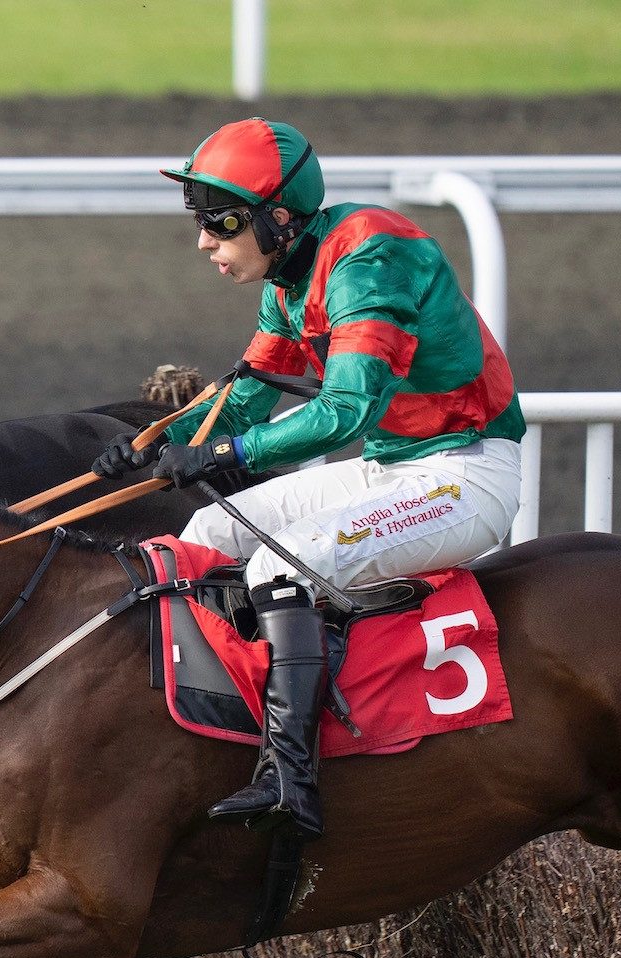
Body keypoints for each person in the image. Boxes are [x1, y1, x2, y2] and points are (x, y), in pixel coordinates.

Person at [94, 118, 524, 840]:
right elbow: (249, 395)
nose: (205, 241)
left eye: (222, 222)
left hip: (466, 475)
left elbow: (346, 409)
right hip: (397, 469)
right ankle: (224, 721)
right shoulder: (289, 281)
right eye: (199, 221)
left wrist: (223, 456)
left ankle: (291, 778)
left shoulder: (369, 255)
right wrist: (147, 440)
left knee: (278, 563)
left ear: (280, 218)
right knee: (210, 530)